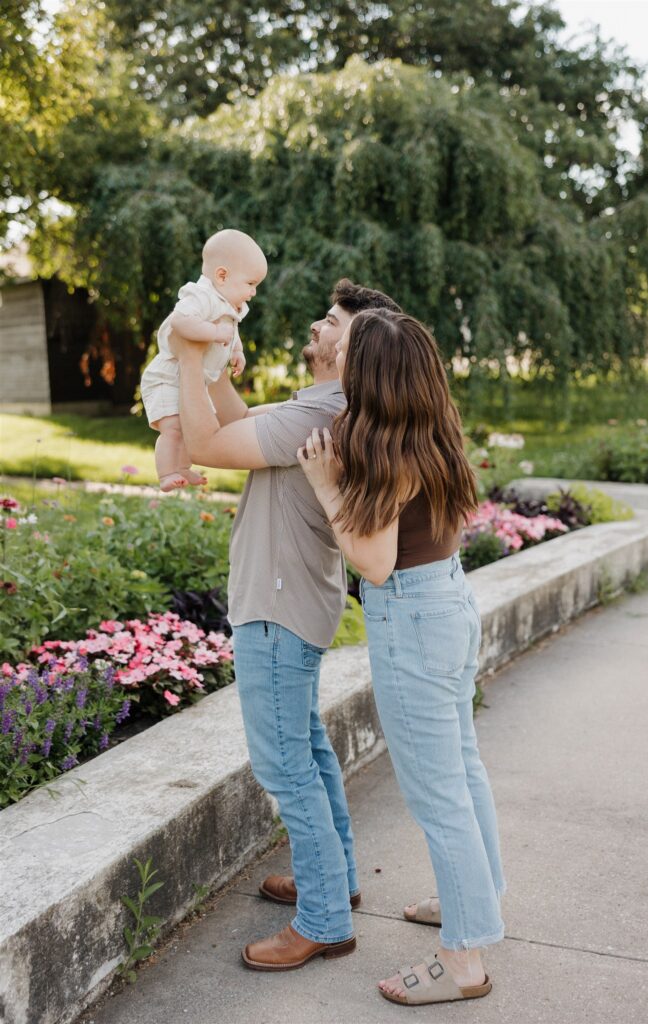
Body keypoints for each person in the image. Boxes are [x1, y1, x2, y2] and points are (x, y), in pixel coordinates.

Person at [175, 278, 401, 970]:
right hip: (295, 605)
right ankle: (336, 881)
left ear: (353, 345)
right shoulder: (322, 406)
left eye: (331, 321)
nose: (317, 325)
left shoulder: (320, 414)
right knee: (308, 750)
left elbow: (205, 446)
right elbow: (239, 429)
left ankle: (326, 918)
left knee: (286, 767)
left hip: (275, 611)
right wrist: (216, 374)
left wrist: (187, 356)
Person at [298, 308, 507, 1006]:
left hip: (413, 616)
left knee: (436, 792)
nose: (337, 352)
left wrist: (327, 487)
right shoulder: (432, 429)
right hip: (449, 604)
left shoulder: (379, 447)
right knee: (463, 768)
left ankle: (464, 962)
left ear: (374, 376)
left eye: (349, 349)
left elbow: (376, 564)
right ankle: (476, 902)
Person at [141, 228, 266, 491]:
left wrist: (237, 351)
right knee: (173, 428)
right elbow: (180, 321)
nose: (253, 292)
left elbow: (232, 333)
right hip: (168, 377)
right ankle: (166, 473)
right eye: (251, 284)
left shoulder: (230, 305)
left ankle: (184, 468)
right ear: (222, 275)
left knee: (192, 426)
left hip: (195, 380)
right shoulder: (200, 296)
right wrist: (213, 332)